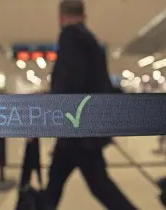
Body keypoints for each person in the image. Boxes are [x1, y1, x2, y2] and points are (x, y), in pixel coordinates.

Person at [45, 1, 138, 209]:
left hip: (78, 133)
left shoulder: (71, 36)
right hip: (83, 133)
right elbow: (96, 84)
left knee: (99, 187)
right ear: (84, 16)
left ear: (61, 17)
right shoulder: (91, 41)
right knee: (56, 185)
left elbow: (69, 83)